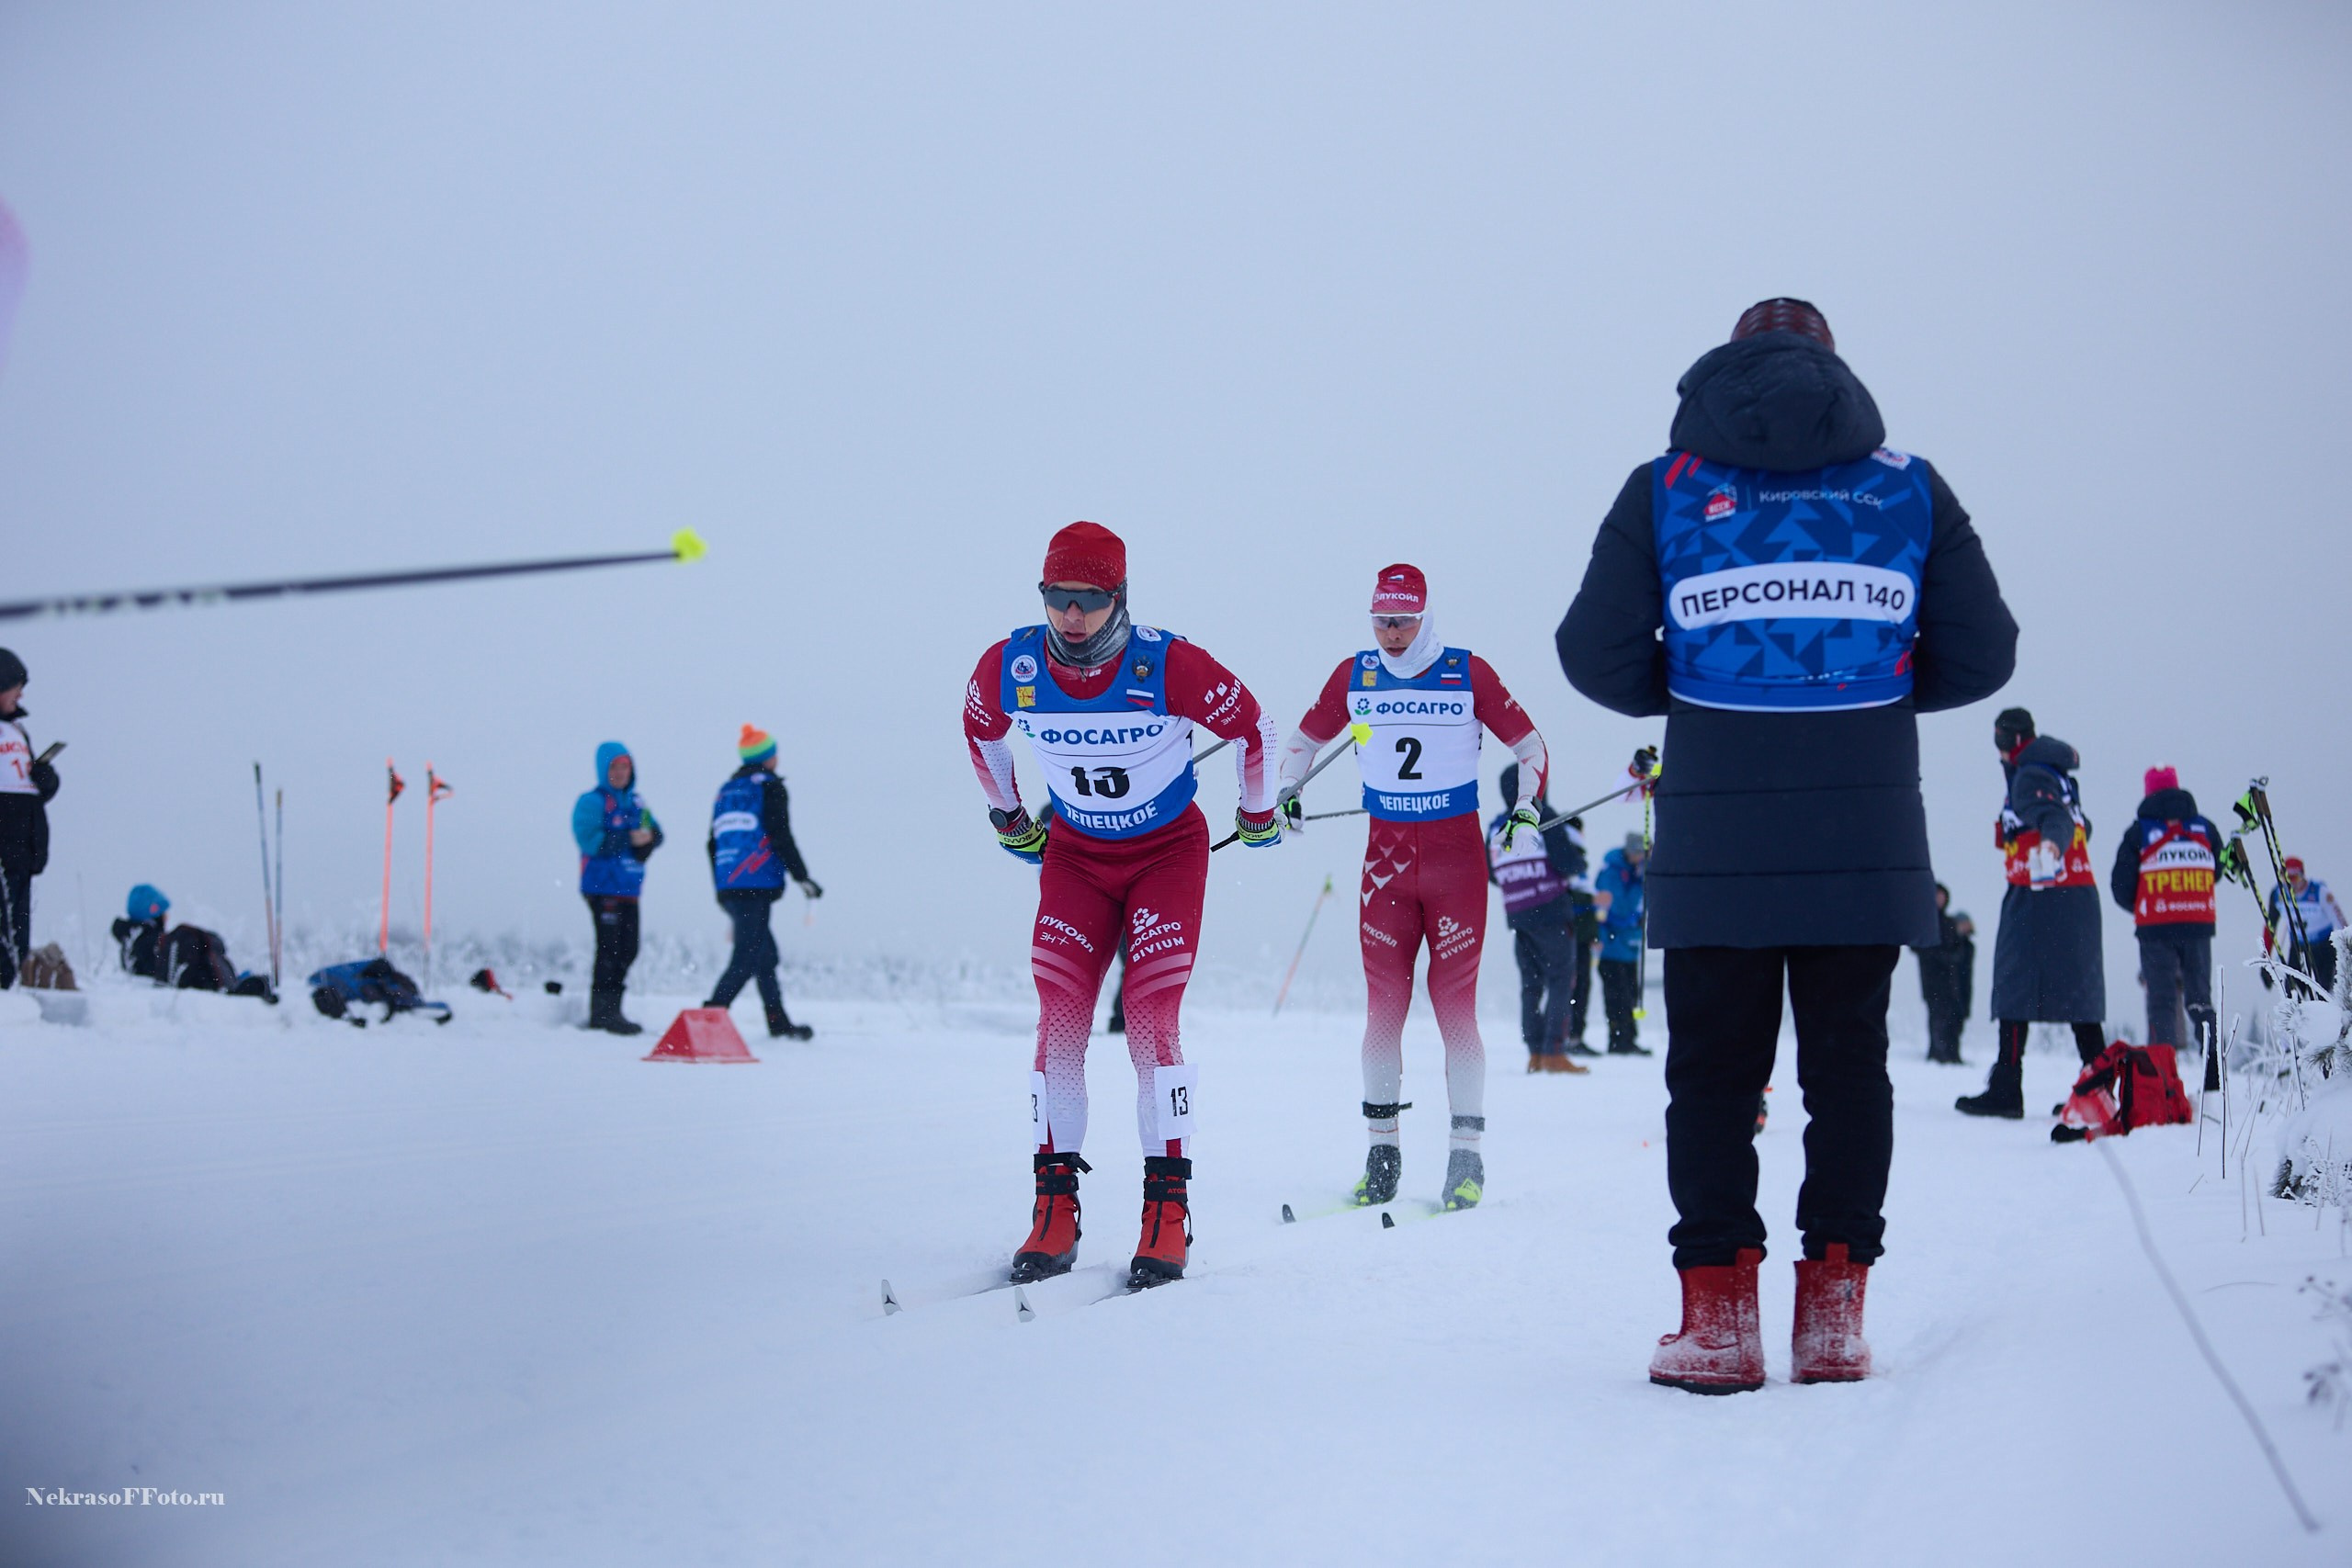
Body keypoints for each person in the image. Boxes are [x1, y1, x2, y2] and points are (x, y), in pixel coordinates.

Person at [1558, 297, 2017, 1393]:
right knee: (1848, 1070)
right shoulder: (1906, 486)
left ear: (1726, 369)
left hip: (1716, 831)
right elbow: (1984, 652)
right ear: (1834, 373)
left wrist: (1699, 687)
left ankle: (1717, 1324)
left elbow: (1592, 652)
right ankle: (1833, 1322)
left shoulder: (1665, 486)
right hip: (1864, 830)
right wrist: (1872, 687)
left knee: (1712, 1076)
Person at [964, 521, 1282, 1290]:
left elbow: (1255, 728)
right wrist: (1009, 817)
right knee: (1060, 1016)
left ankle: (1166, 1215)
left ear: (1121, 596)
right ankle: (1053, 1211)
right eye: (1058, 597)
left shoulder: (1169, 664)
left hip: (1166, 854)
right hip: (1076, 858)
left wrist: (1257, 810)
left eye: (1090, 599)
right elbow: (980, 731)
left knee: (1149, 1016)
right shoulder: (1012, 664)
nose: (1072, 615)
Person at [1278, 563, 1553, 1213]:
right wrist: (1286, 791)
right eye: (1381, 621)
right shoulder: (1354, 674)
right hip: (1386, 867)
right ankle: (1382, 1159)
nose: (1392, 633)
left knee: (1456, 1007)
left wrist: (1526, 810)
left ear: (1426, 618)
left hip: (1456, 867)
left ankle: (1466, 1160)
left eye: (1403, 620)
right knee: (1383, 1008)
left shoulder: (1467, 671)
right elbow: (1300, 742)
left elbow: (1531, 746)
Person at [1959, 708, 2108, 1117]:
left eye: (2000, 742)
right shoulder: (2057, 775)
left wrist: (2052, 845)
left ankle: (2007, 1088)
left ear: (2014, 741)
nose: (1999, 752)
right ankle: (2099, 1089)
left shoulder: (2030, 776)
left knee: (2013, 986)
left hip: (2040, 893)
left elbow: (2057, 820)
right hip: (2074, 896)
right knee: (2078, 993)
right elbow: (2080, 824)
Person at [704, 724, 823, 1040]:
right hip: (755, 882)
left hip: (729, 883)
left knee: (765, 954)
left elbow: (712, 843)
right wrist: (802, 877)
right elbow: (780, 835)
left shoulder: (727, 791)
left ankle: (778, 1021)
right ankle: (708, 1020)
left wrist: (720, 886)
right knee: (746, 955)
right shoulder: (770, 787)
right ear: (769, 757)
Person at [1487, 761, 1591, 1075]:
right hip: (1550, 911)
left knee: (1530, 984)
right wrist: (1579, 860)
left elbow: (1492, 873)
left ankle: (1535, 1053)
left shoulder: (1496, 827)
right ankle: (1554, 1052)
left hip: (1518, 914)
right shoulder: (1544, 818)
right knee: (1561, 979)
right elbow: (1568, 864)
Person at [2109, 766, 2221, 1057]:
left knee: (2161, 1002)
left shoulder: (2139, 833)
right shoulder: (2205, 828)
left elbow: (2120, 885)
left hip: (2156, 928)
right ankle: (2214, 1073)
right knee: (2200, 1000)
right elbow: (2217, 870)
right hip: (2198, 923)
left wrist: (2148, 905)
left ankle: (2162, 1077)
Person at [571, 741, 662, 1035]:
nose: (621, 772)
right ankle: (602, 1013)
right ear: (603, 769)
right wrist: (627, 839)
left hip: (630, 889)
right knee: (609, 948)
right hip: (602, 887)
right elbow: (589, 840)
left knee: (629, 949)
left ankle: (614, 1009)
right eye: (614, 767)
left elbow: (657, 834)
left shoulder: (638, 804)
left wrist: (647, 840)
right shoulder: (591, 802)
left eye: (625, 766)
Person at [0, 648, 60, 987]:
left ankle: (7, 993)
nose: (21, 695)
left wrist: (45, 779)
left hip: (22, 853)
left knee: (16, 936)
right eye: (16, 686)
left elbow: (31, 792)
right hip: (5, 851)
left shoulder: (18, 731)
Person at [108, 885, 276, 999]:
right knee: (192, 941)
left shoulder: (132, 943)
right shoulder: (149, 942)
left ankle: (234, 983)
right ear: (154, 912)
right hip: (189, 988)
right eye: (163, 913)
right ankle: (231, 986)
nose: (166, 917)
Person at [1591, 834, 1650, 1056]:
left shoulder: (1634, 873)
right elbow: (1619, 909)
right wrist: (1638, 883)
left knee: (1631, 994)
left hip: (1629, 947)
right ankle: (1618, 1040)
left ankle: (1629, 1038)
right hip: (1612, 946)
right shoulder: (1613, 872)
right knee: (1618, 995)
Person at [1913, 885, 1975, 1064]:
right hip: (1933, 981)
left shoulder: (1949, 923)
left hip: (1951, 982)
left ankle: (1951, 1054)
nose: (1939, 899)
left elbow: (1958, 949)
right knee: (1938, 1018)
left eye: (1941, 896)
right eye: (1936, 895)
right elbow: (1918, 947)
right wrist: (1941, 956)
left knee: (1952, 1018)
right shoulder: (1925, 922)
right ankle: (1938, 1055)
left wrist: (1951, 957)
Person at [2269, 856, 2346, 994]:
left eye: (2295, 878)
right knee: (2292, 994)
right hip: (2298, 948)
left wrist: (2347, 953)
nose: (2291, 885)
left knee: (2324, 993)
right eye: (2286, 879)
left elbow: (2341, 923)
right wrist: (2266, 957)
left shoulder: (2320, 892)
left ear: (2303, 876)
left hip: (2323, 948)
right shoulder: (2278, 894)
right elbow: (2270, 926)